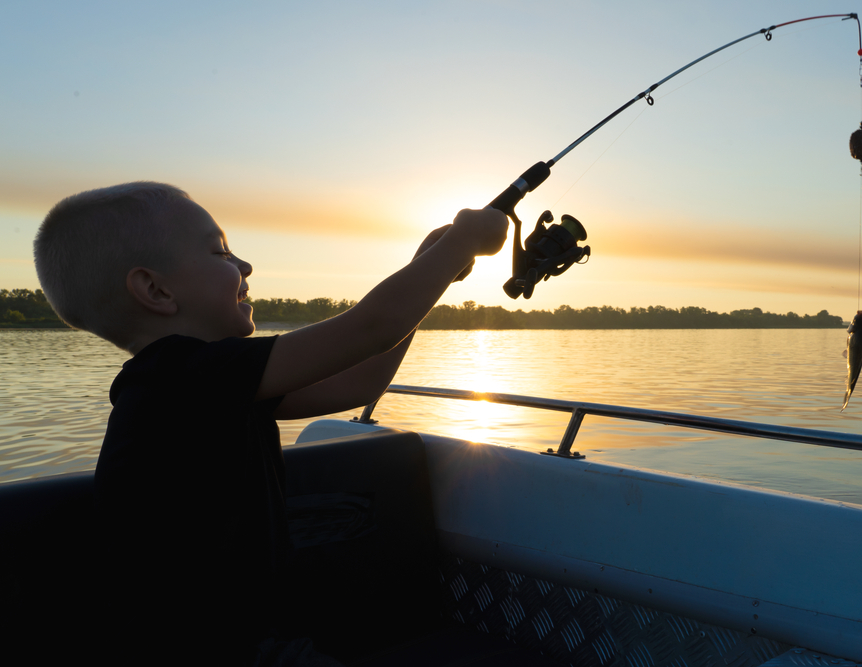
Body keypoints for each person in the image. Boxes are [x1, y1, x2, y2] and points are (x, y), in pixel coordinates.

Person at [33, 182, 508, 665]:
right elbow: (371, 327)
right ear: (156, 290)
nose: (245, 266)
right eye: (221, 252)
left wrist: (431, 270)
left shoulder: (211, 384)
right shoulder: (173, 378)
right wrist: (458, 246)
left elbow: (358, 382)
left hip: (257, 638)